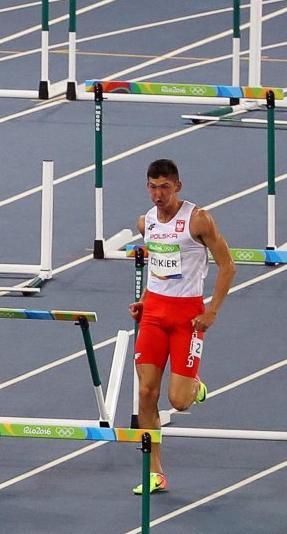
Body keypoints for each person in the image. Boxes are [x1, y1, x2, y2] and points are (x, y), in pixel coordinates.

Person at [128, 159, 235, 495]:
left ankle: (194, 387)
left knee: (179, 402)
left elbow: (227, 266)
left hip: (188, 316)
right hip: (155, 315)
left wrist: (212, 311)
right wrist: (145, 299)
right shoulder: (145, 223)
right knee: (146, 393)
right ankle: (155, 472)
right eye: (152, 186)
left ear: (177, 186)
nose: (158, 194)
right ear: (147, 186)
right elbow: (159, 266)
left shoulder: (198, 219)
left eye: (165, 187)